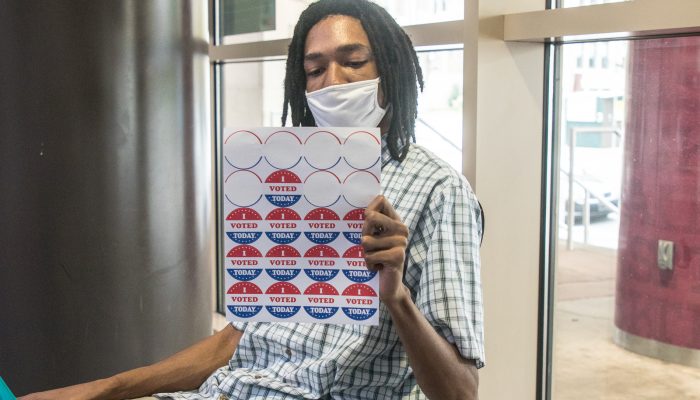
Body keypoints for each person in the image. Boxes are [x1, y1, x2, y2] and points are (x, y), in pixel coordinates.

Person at [20, 1, 484, 399]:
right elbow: (235, 340)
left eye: (354, 61)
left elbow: (461, 390)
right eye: (314, 69)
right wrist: (105, 389)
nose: (332, 83)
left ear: (391, 68)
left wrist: (396, 296)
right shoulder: (287, 176)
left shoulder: (438, 190)